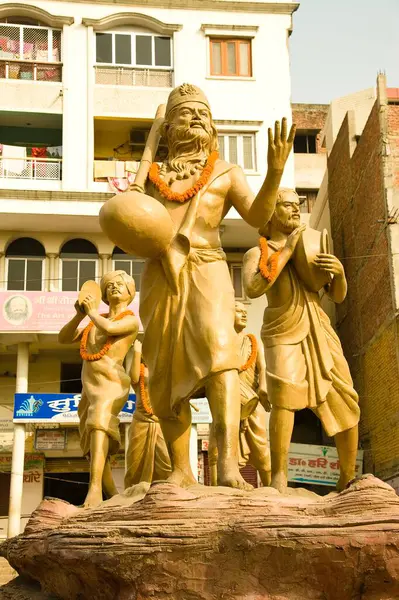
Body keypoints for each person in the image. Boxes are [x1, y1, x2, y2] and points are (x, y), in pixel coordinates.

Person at [139, 83, 295, 489]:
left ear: (213, 128)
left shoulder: (226, 172)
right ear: (169, 126)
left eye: (202, 114)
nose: (194, 119)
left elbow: (259, 216)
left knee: (220, 356)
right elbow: (130, 209)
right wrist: (150, 143)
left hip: (208, 267)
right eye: (185, 113)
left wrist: (275, 171)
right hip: (160, 275)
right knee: (162, 369)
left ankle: (226, 466)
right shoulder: (153, 177)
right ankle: (181, 470)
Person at [242, 188, 360, 493]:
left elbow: (336, 295)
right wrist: (287, 250)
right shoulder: (258, 253)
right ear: (270, 214)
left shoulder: (310, 246)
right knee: (284, 399)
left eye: (298, 206)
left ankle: (348, 476)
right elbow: (254, 287)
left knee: (346, 397)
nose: (296, 211)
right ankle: (279, 476)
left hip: (318, 326)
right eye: (287, 206)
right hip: (283, 329)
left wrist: (340, 274)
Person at [59, 271, 139, 507]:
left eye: (120, 284)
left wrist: (92, 312)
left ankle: (94, 490)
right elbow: (64, 338)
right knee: (92, 440)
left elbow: (110, 329)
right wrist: (78, 315)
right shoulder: (92, 324)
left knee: (99, 425)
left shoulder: (129, 320)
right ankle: (113, 494)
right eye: (109, 285)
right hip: (90, 388)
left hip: (113, 382)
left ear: (130, 292)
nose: (114, 287)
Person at [208, 302, 271, 486]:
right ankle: (216, 489)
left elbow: (264, 367)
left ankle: (271, 488)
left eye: (245, 312)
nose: (244, 315)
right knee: (215, 450)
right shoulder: (221, 342)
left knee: (261, 451)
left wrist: (263, 387)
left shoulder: (252, 342)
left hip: (251, 402)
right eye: (239, 311)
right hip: (225, 402)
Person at [125, 340, 171, 488]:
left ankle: (164, 492)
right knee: (135, 465)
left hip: (161, 422)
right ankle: (132, 493)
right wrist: (136, 351)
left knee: (167, 463)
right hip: (141, 421)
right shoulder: (140, 369)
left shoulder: (163, 370)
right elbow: (133, 379)